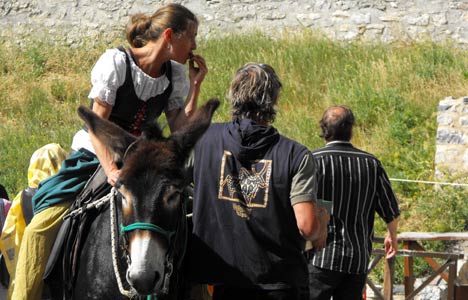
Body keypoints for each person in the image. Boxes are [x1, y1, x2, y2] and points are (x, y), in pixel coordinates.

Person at [11, 3, 208, 299]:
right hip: (96, 154)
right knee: (42, 225)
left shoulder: (174, 75)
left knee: (193, 217)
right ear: (170, 35)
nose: (194, 44)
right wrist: (113, 171)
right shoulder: (116, 63)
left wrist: (195, 87)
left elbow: (179, 129)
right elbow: (96, 125)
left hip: (141, 161)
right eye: (191, 36)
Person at [186, 62, 329, 300]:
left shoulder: (203, 140)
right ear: (273, 98)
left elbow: (168, 173)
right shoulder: (296, 155)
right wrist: (322, 223)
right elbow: (307, 226)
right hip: (279, 284)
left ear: (233, 95)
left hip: (221, 280)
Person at [306, 105, 400, 300]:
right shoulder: (371, 163)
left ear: (324, 131)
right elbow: (390, 209)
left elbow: (301, 204)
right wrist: (392, 235)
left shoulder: (314, 160)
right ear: (350, 130)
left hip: (320, 256)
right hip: (357, 260)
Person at [0, 143, 68, 296]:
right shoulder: (68, 194)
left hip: (31, 262)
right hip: (62, 263)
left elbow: (11, 237)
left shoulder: (22, 198)